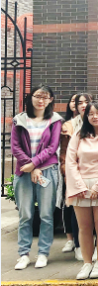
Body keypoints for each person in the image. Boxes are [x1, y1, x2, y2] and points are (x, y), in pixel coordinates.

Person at [12, 86, 63, 271]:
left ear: (51, 100)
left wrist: (34, 164)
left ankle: (43, 253)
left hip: (47, 170)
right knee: (25, 215)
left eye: (46, 97)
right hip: (24, 171)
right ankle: (23, 254)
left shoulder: (55, 120)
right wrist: (31, 166)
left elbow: (52, 147)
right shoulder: (19, 119)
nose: (41, 100)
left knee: (46, 215)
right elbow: (15, 147)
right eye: (38, 96)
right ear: (31, 97)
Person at [65, 101, 98, 279]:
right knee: (84, 227)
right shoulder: (78, 135)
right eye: (91, 114)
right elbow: (70, 161)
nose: (95, 117)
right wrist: (79, 186)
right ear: (86, 116)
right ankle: (87, 263)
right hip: (80, 186)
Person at [60, 92, 92, 258]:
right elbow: (64, 154)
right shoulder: (69, 126)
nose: (83, 105)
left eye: (87, 102)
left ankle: (92, 245)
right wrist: (68, 173)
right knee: (75, 209)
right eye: (80, 102)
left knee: (93, 211)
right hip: (74, 173)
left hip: (93, 174)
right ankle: (78, 245)